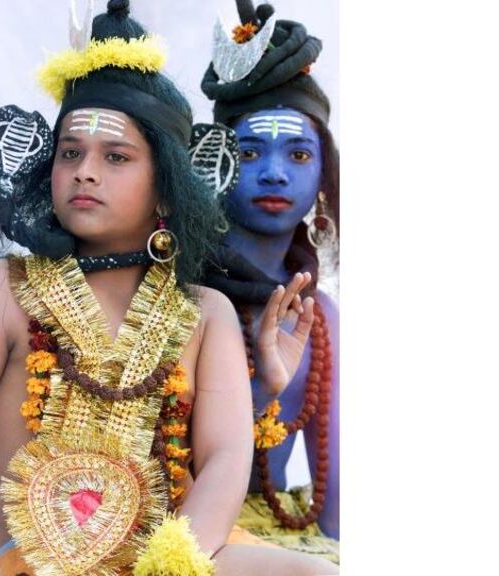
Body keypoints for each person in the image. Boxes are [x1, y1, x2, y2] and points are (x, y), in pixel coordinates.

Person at [0, 1, 336, 574]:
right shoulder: (1, 291)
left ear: (168, 189)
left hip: (174, 557)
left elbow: (223, 457)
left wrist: (173, 560)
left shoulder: (204, 309)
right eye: (71, 153)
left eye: (116, 156)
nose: (85, 170)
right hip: (40, 561)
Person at [200, 0, 341, 564]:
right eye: (251, 150)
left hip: (287, 537)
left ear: (323, 175)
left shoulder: (321, 317)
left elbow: (336, 493)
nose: (275, 171)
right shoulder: (176, 295)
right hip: (178, 536)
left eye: (299, 152)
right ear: (213, 163)